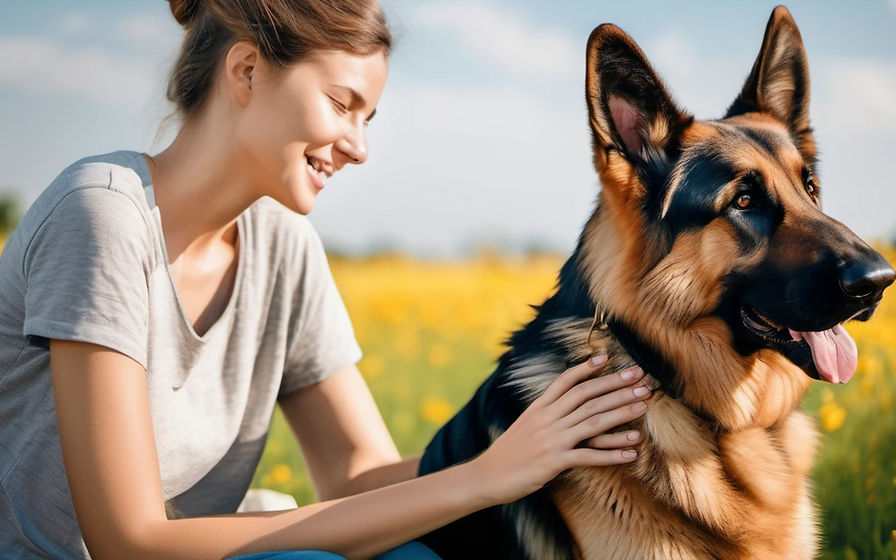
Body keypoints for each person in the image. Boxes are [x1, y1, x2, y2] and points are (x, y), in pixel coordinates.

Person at [0, 1, 654, 558]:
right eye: (343, 105)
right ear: (247, 71)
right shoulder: (103, 216)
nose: (359, 147)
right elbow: (129, 542)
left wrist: (534, 444)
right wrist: (483, 477)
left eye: (367, 120)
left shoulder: (282, 244)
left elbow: (358, 477)